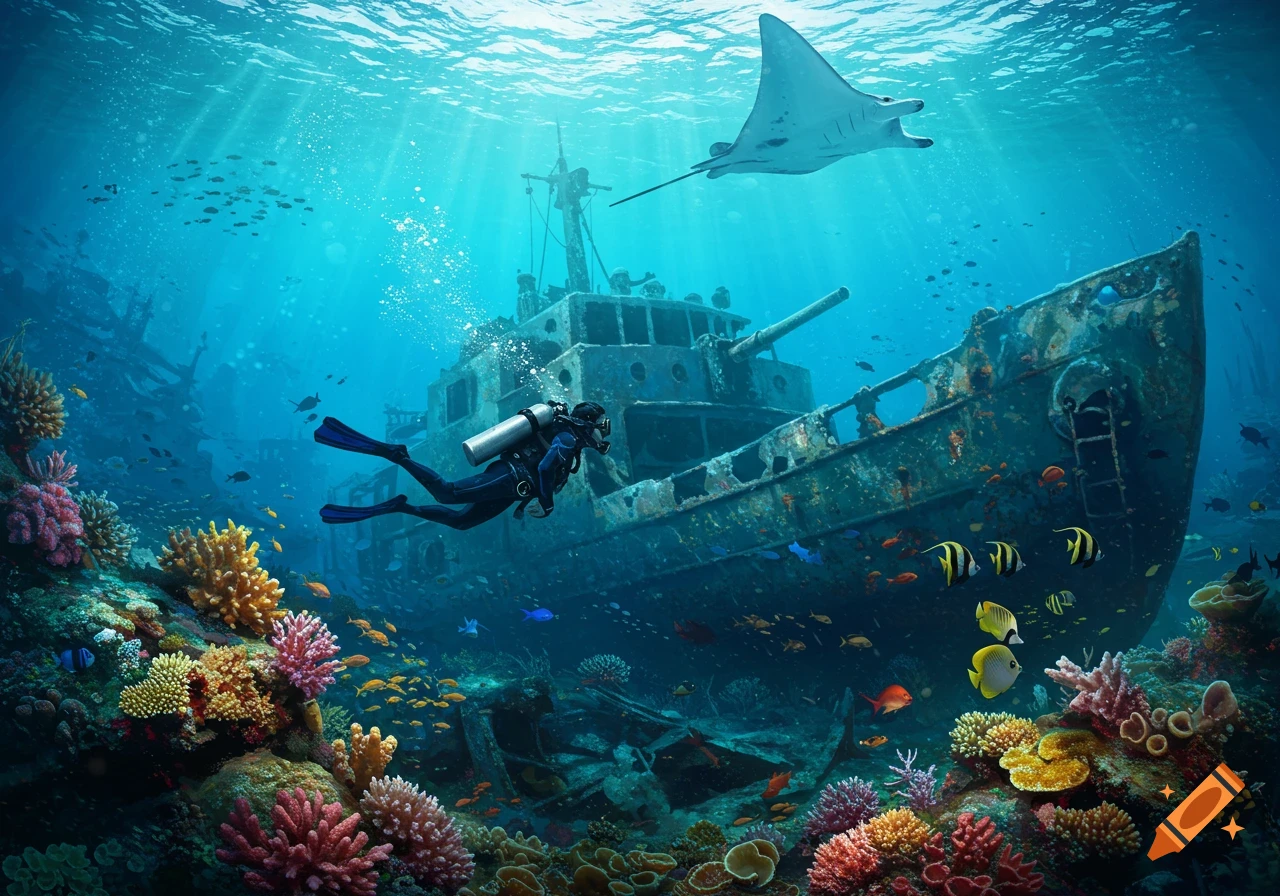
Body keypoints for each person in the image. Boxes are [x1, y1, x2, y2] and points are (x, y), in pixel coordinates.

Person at [314, 401, 611, 531]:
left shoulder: (571, 444)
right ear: (587, 424)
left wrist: (526, 505)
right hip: (509, 477)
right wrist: (546, 504)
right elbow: (545, 469)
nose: (601, 434)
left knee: (462, 522)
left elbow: (548, 474)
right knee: (447, 494)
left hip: (515, 489)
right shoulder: (568, 438)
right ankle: (397, 454)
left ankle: (400, 507)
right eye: (601, 427)